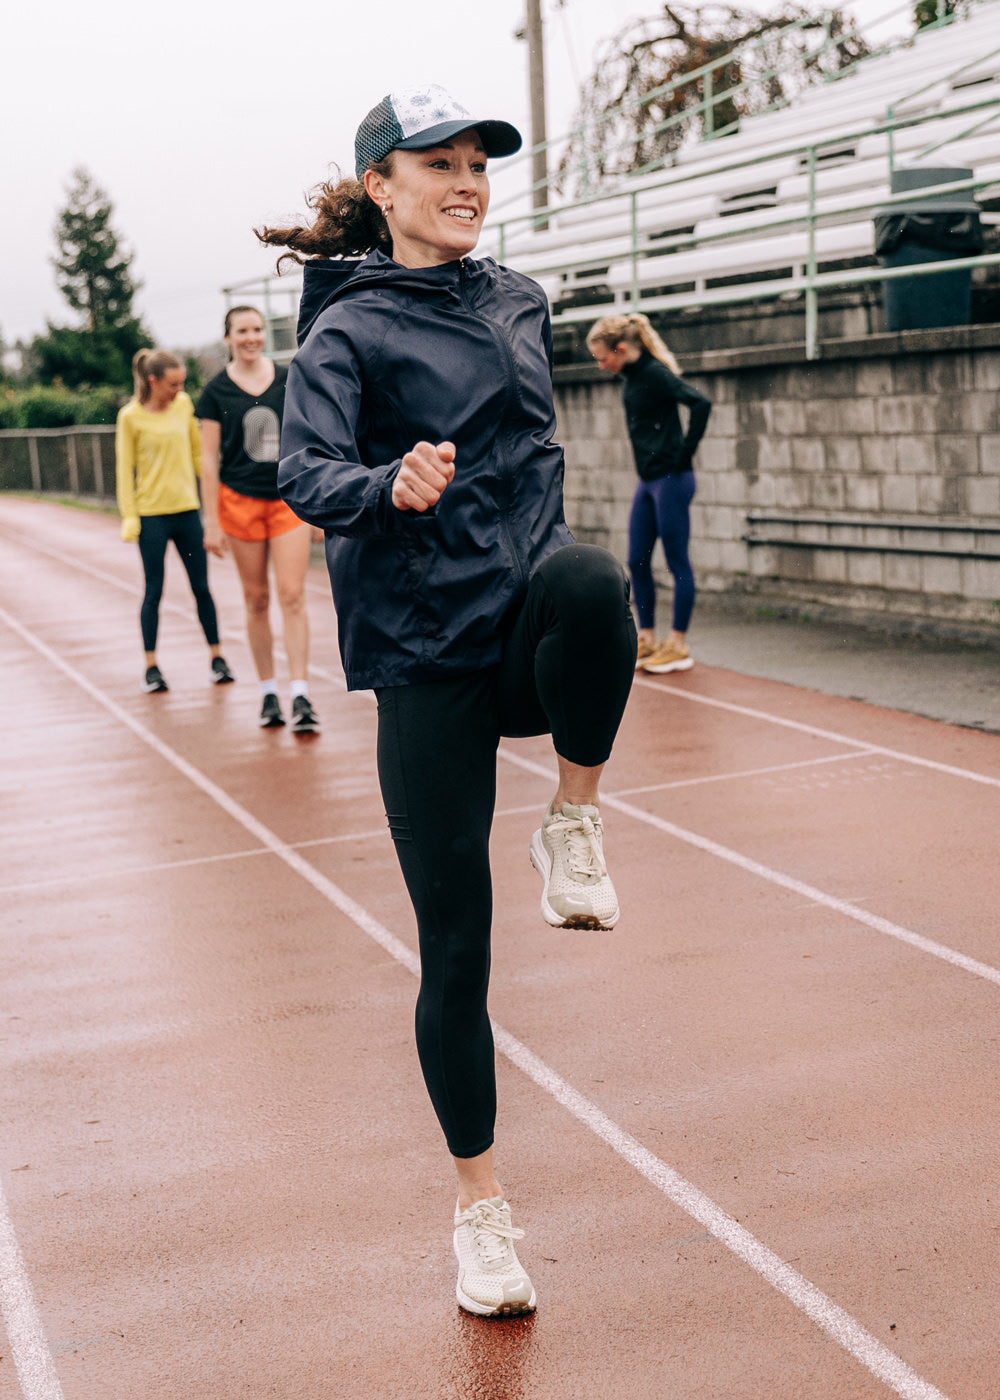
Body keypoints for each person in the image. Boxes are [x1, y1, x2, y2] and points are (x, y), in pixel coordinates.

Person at [257, 84, 636, 1318]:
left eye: (479, 162)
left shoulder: (521, 298)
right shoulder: (343, 337)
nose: (469, 181)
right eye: (441, 164)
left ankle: (571, 817)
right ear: (382, 184)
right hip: (426, 659)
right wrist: (388, 482)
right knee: (456, 950)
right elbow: (306, 472)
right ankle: (481, 1212)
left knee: (593, 579)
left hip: (520, 619)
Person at [196, 306, 320, 733]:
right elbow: (209, 460)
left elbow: (310, 439)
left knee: (292, 595)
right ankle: (269, 691)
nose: (251, 337)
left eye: (257, 329)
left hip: (288, 501)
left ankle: (301, 693)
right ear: (228, 337)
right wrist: (211, 521)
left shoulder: (289, 379)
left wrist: (321, 505)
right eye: (242, 331)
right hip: (239, 502)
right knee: (257, 599)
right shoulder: (214, 392)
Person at [587, 312, 711, 674]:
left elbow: (700, 403)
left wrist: (684, 455)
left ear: (621, 348)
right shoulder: (629, 378)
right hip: (648, 482)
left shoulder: (656, 374)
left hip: (671, 480)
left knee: (676, 561)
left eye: (602, 357)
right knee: (637, 559)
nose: (600, 365)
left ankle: (678, 643)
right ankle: (647, 637)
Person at [115, 348, 234, 693]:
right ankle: (151, 666)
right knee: (154, 590)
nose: (179, 390)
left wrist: (217, 501)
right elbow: (125, 470)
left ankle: (217, 657)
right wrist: (130, 518)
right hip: (151, 517)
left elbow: (200, 456)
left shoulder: (183, 407)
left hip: (186, 512)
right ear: (152, 381)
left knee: (201, 588)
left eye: (182, 383)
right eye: (172, 384)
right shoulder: (130, 417)